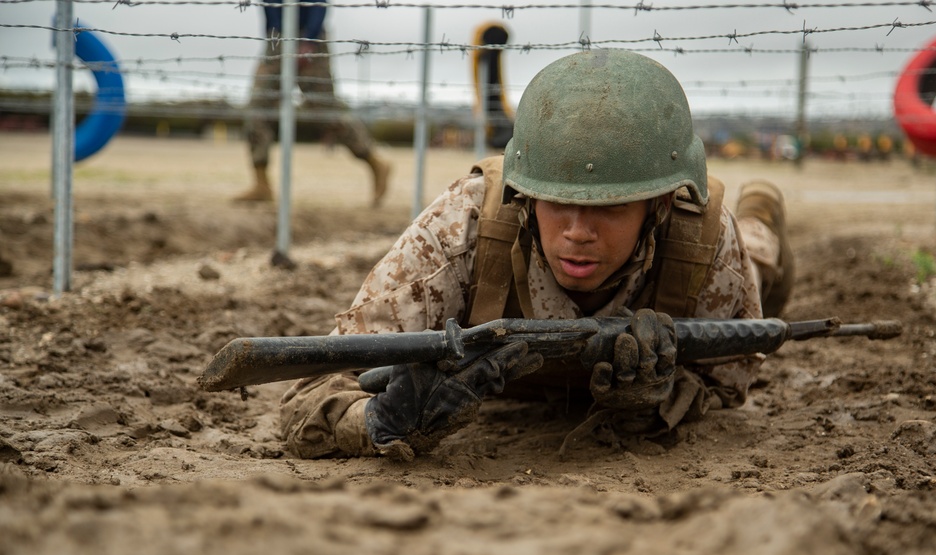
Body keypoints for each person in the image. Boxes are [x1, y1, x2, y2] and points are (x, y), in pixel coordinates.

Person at [278, 50, 794, 460]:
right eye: (557, 203)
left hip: (735, 257)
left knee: (760, 259)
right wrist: (383, 421)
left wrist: (654, 402)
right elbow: (310, 397)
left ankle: (761, 215)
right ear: (526, 196)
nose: (576, 232)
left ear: (658, 205)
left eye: (608, 209)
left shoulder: (704, 242)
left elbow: (728, 383)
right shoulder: (465, 227)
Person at [234, 0, 391, 206]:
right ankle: (261, 184)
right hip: (277, 38)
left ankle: (375, 162)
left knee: (326, 113)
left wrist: (309, 38)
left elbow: (319, 3)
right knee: (258, 108)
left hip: (309, 37)